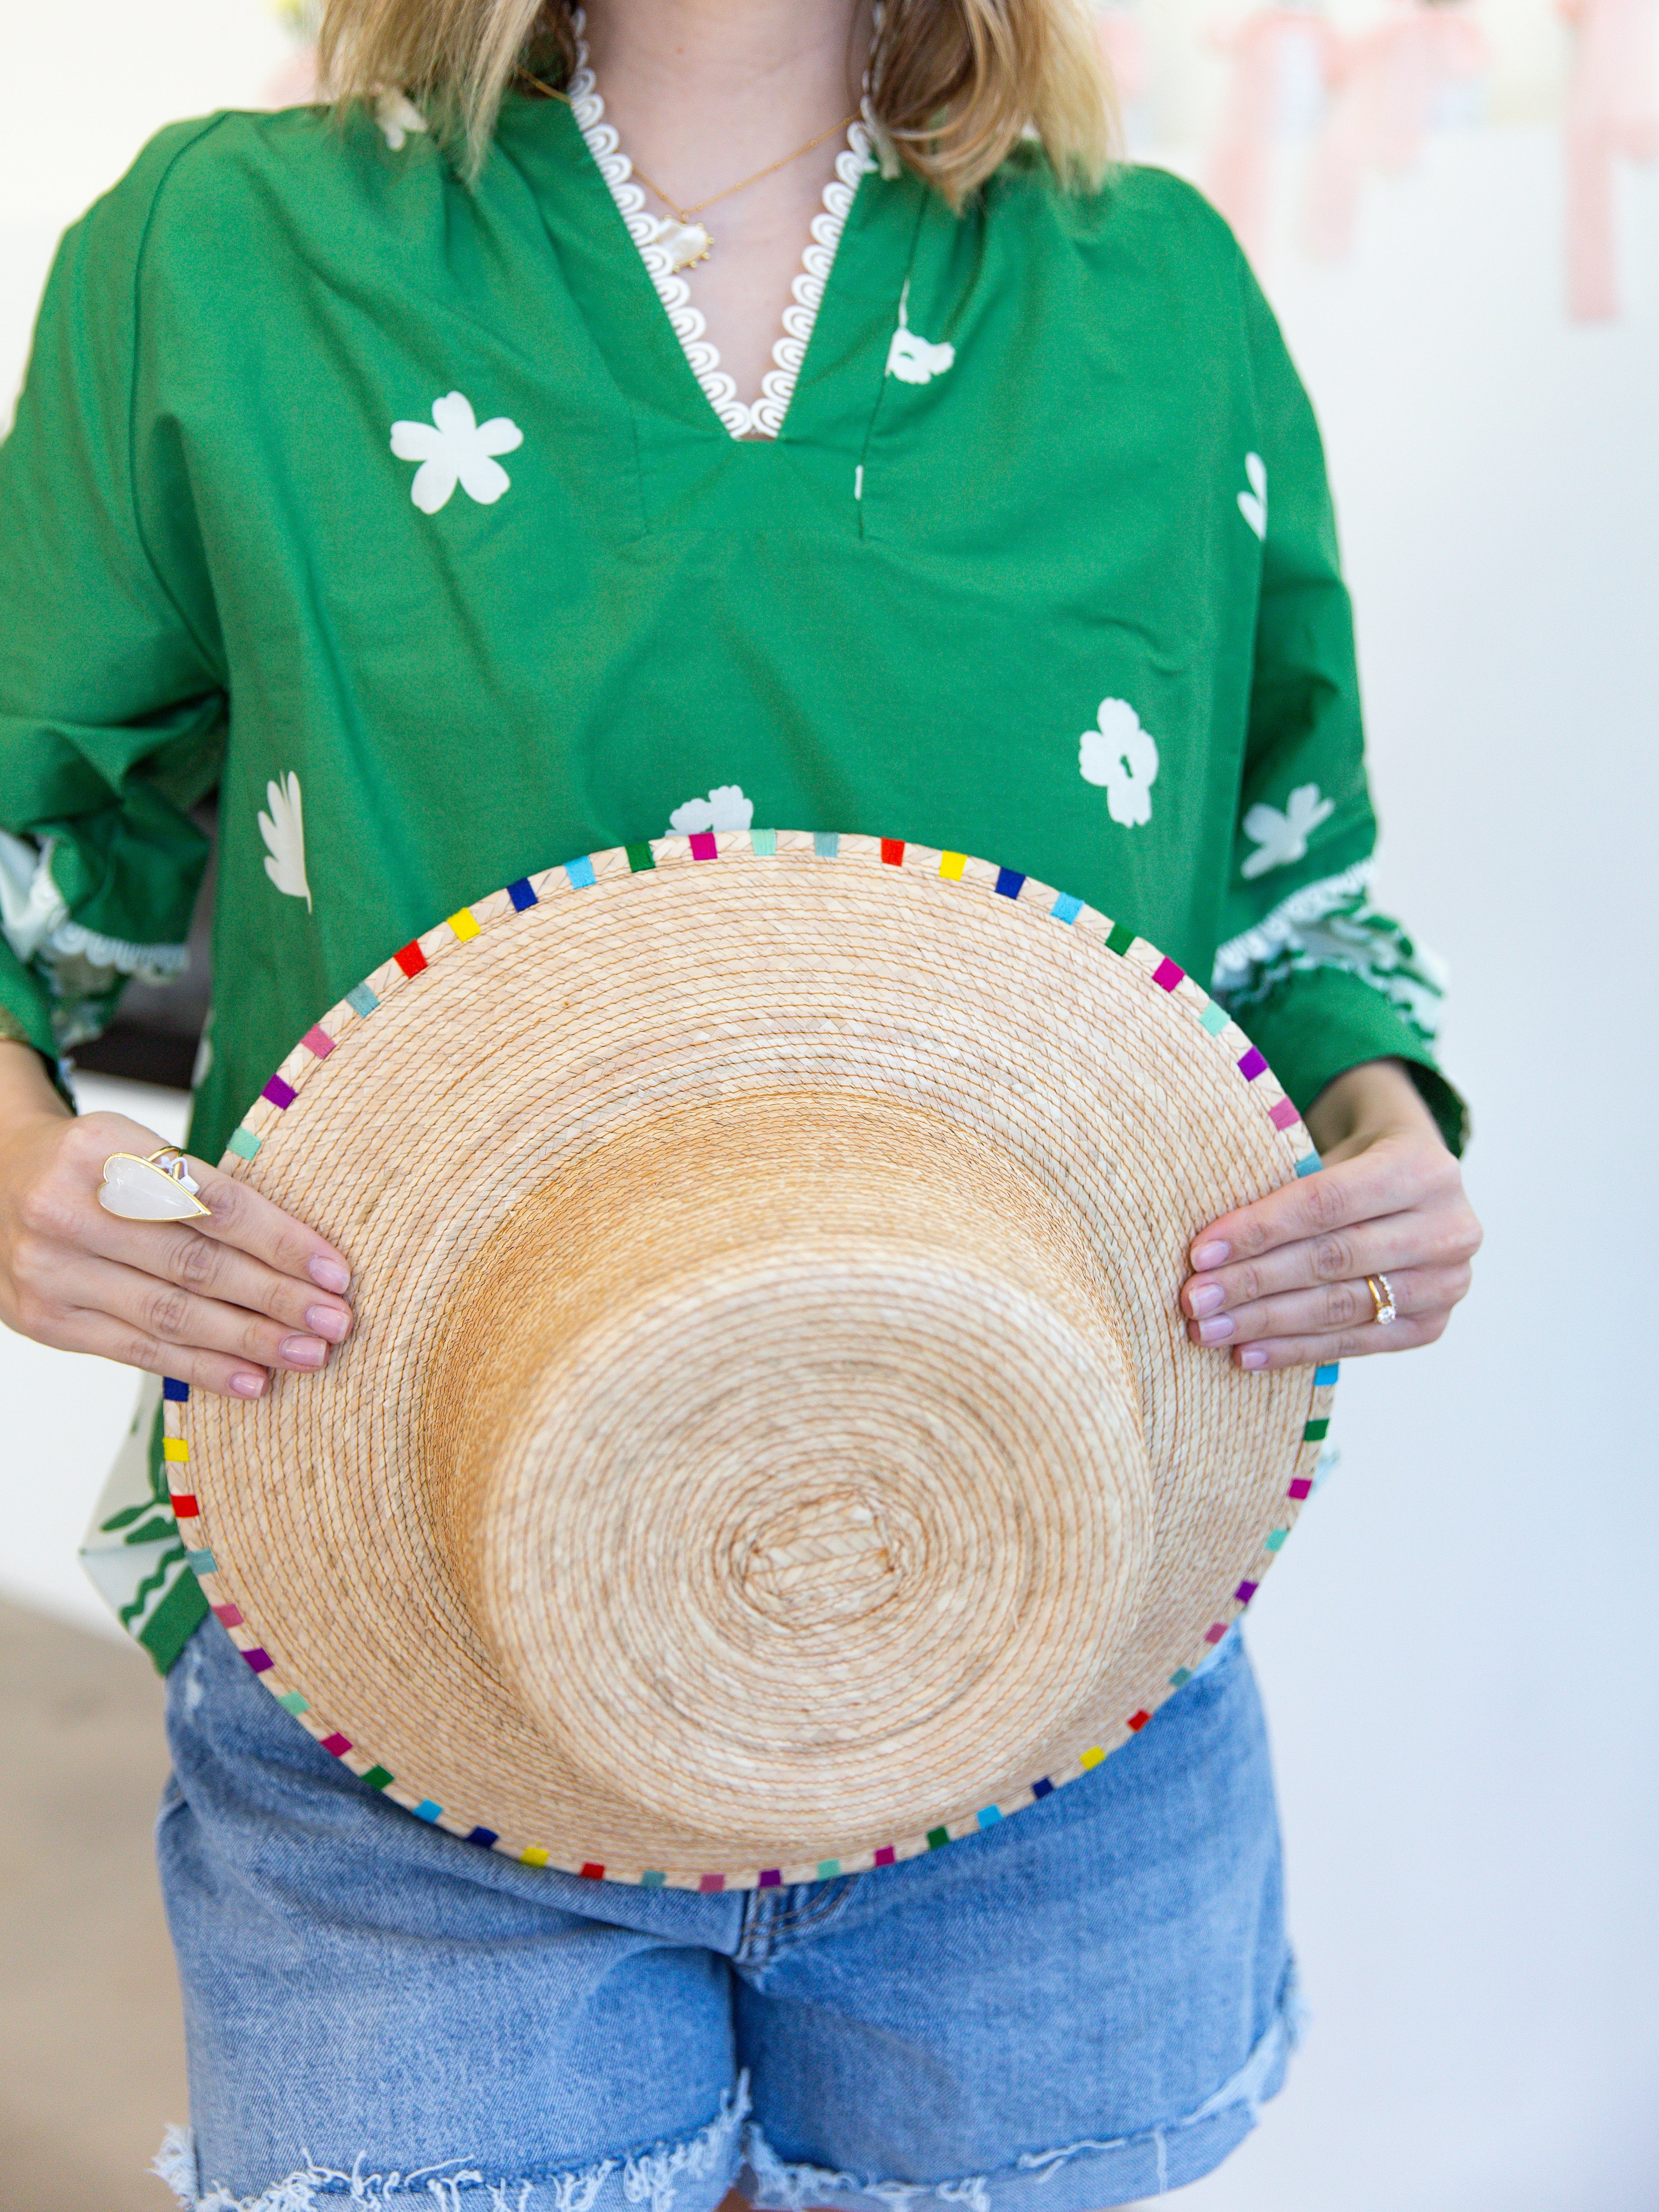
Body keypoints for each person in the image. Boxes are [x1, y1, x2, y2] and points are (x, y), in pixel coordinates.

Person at [0, 0, 1482, 2201]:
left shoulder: (1152, 290)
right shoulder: (224, 256)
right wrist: (17, 1174)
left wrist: (1388, 1143)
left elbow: (1287, 896)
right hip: (402, 1620)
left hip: (1043, 1669)